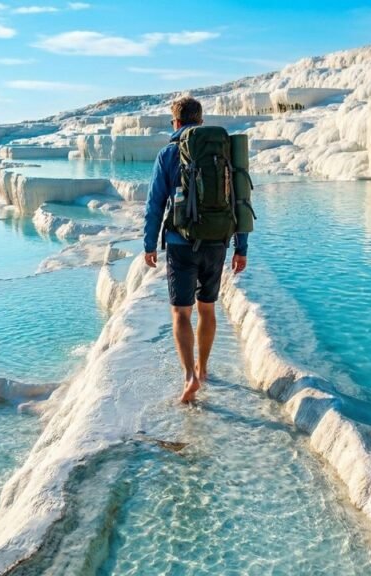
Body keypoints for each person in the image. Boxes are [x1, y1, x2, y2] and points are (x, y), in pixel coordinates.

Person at [143, 96, 249, 404]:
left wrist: (149, 244)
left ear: (175, 123)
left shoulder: (168, 154)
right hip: (217, 240)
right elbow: (239, 200)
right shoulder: (222, 152)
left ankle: (189, 375)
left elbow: (155, 204)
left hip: (180, 244)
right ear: (200, 121)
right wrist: (241, 247)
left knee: (180, 312)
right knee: (207, 308)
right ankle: (203, 369)